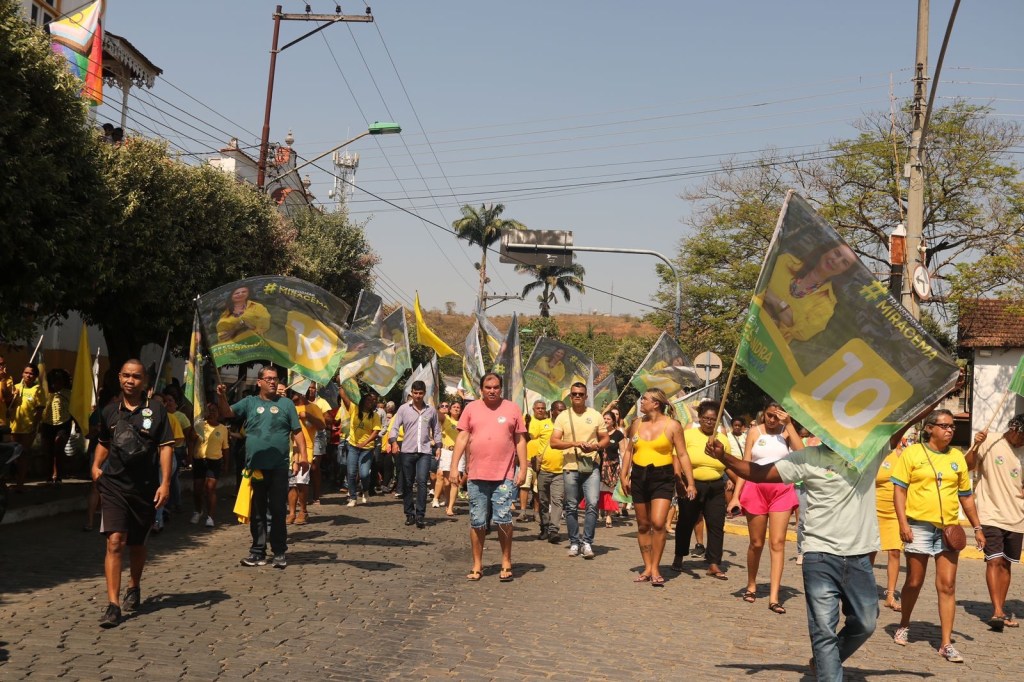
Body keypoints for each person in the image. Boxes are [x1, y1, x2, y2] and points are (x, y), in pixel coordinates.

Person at [707, 432, 886, 680]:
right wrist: (723, 456)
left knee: (866, 623)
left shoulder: (871, 452)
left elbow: (906, 419)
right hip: (819, 556)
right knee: (823, 630)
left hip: (859, 556)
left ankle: (823, 661)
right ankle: (828, 670)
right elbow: (759, 473)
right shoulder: (807, 457)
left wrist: (936, 404)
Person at [891, 409, 985, 663]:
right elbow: (899, 490)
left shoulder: (956, 458)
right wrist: (903, 523)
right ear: (929, 428)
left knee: (948, 585)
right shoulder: (913, 453)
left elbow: (966, 496)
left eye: (952, 426)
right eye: (944, 426)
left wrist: (977, 528)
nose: (950, 430)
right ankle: (904, 623)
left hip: (948, 531)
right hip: (919, 527)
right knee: (914, 581)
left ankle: (946, 643)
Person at [92, 360, 174, 628]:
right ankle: (113, 605)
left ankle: (134, 585)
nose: (130, 380)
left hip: (144, 488)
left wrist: (165, 483)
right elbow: (104, 442)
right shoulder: (109, 411)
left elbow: (166, 446)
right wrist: (96, 465)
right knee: (115, 541)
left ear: (144, 381)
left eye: (136, 377)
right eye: (126, 375)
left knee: (137, 544)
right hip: (114, 486)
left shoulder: (157, 410)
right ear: (119, 377)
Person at [217, 366, 308, 569]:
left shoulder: (286, 404)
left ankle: (279, 552)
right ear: (259, 382)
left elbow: (297, 431)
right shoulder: (250, 402)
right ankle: (258, 552)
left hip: (279, 467)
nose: (273, 382)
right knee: (257, 511)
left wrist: (303, 456)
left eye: (275, 379)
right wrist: (222, 396)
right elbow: (227, 412)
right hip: (255, 467)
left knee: (277, 510)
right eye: (268, 379)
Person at [450, 373, 527, 582]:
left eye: (495, 387)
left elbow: (520, 440)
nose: (492, 391)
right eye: (487, 387)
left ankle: (506, 561)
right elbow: (462, 438)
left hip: (504, 476)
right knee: (477, 521)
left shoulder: (512, 409)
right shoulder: (471, 409)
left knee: (503, 519)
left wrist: (523, 468)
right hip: (476, 475)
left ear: (501, 388)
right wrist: (454, 467)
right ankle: (477, 564)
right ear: (481, 389)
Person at [729, 402, 803, 613]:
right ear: (764, 414)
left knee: (778, 542)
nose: (772, 420)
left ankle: (774, 596)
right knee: (756, 542)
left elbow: (802, 452)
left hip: (781, 489)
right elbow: (745, 464)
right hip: (755, 488)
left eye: (776, 416)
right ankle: (751, 584)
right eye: (769, 415)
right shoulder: (754, 431)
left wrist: (789, 424)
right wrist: (736, 496)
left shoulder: (786, 432)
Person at [620, 388, 697, 586]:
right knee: (643, 525)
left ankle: (655, 567)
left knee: (658, 522)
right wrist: (623, 475)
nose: (641, 402)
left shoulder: (673, 426)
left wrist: (690, 483)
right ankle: (647, 567)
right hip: (639, 476)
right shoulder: (637, 423)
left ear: (655, 403)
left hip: (662, 477)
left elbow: (682, 454)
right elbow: (628, 451)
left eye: (644, 399)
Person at [965, 413, 1024, 632]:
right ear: (1015, 429)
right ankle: (997, 611)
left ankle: (1001, 609)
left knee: (1007, 564)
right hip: (990, 513)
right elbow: (967, 466)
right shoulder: (990, 440)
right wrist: (975, 446)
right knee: (994, 560)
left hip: (1016, 516)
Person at [672, 400, 731, 579]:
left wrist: (731, 480)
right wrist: (679, 480)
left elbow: (728, 462)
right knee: (686, 521)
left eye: (713, 419)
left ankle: (713, 562)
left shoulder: (722, 439)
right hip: (692, 485)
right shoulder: (688, 435)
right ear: (699, 418)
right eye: (705, 418)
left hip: (716, 486)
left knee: (716, 524)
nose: (709, 422)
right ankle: (679, 556)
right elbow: (677, 457)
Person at [551, 382, 610, 559]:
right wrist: (574, 443)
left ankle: (587, 542)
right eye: (574, 394)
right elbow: (554, 442)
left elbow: (605, 438)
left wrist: (595, 446)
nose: (577, 396)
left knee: (592, 503)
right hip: (570, 466)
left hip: (591, 466)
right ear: (570, 396)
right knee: (571, 506)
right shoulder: (563, 416)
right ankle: (574, 542)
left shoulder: (595, 415)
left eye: (581, 394)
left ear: (586, 396)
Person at [762, 243, 857, 343]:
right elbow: (759, 277)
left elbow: (802, 332)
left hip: (764, 344)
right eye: (837, 253)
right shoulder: (784, 261)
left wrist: (774, 300)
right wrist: (786, 319)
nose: (836, 261)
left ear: (844, 272)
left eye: (844, 262)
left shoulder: (827, 304)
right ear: (826, 250)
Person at [388, 380, 441, 528]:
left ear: (424, 393)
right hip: (407, 450)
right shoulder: (404, 409)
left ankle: (420, 515)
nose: (418, 396)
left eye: (420, 393)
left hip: (424, 451)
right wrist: (393, 442)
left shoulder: (431, 410)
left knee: (422, 482)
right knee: (408, 482)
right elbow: (394, 427)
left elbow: (436, 429)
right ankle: (409, 513)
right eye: (415, 393)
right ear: (411, 393)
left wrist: (438, 446)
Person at [873, 445, 905, 612]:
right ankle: (865, 591)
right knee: (869, 551)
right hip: (873, 510)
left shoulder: (900, 455)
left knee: (895, 551)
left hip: (894, 512)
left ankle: (890, 595)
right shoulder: (872, 454)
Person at [286, 388, 324, 525]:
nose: (292, 394)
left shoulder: (313, 408)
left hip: (305, 449)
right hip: (289, 449)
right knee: (291, 483)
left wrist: (308, 415)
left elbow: (322, 426)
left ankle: (303, 511)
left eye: (294, 392)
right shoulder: (287, 406)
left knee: (301, 481)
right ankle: (291, 512)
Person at [189, 402, 229, 527]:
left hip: (214, 461)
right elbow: (191, 441)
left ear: (218, 413)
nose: (211, 413)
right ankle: (198, 511)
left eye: (214, 410)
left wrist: (226, 463)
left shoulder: (223, 429)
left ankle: (210, 517)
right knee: (197, 489)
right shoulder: (200, 425)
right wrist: (189, 456)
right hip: (199, 460)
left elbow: (225, 448)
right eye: (209, 410)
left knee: (210, 489)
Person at [342, 390, 381, 507]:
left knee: (364, 474)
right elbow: (344, 397)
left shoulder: (375, 416)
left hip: (367, 449)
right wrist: (341, 384)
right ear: (363, 401)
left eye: (372, 401)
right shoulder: (354, 409)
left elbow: (375, 432)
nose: (370, 402)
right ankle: (353, 498)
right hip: (353, 446)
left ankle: (365, 491)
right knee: (351, 473)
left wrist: (364, 443)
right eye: (368, 400)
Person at [9, 364, 44, 490]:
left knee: (23, 454)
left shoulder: (37, 389)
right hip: (14, 427)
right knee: (13, 455)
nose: (28, 375)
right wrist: (13, 396)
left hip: (28, 428)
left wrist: (35, 426)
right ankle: (13, 479)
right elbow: (9, 405)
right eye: (26, 372)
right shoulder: (16, 387)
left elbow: (40, 409)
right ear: (22, 373)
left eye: (31, 373)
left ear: (35, 376)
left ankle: (20, 484)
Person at [536, 400, 565, 543]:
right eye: (559, 410)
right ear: (552, 411)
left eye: (564, 410)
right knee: (543, 501)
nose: (562, 412)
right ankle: (544, 527)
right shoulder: (543, 424)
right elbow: (530, 438)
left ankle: (554, 530)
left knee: (557, 501)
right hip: (543, 469)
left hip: (561, 471)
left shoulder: (567, 427)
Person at [40, 368, 73, 484]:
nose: (56, 383)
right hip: (47, 424)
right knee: (48, 451)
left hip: (64, 423)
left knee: (59, 448)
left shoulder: (69, 393)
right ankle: (48, 476)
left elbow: (74, 409)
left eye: (59, 381)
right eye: (54, 381)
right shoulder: (45, 392)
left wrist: (78, 424)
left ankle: (58, 476)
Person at [436, 400, 465, 516]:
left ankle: (450, 507)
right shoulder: (446, 418)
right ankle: (447, 501)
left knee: (455, 481)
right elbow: (435, 412)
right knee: (447, 482)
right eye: (454, 407)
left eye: (458, 407)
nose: (456, 409)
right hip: (447, 451)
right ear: (450, 409)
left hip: (459, 453)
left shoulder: (464, 422)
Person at [598, 412, 625, 528]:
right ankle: (601, 510)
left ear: (613, 421)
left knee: (610, 490)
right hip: (599, 466)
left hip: (613, 467)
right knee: (599, 490)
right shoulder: (598, 433)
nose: (605, 420)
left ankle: (609, 515)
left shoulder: (619, 434)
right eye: (604, 418)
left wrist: (625, 468)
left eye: (608, 419)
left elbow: (623, 452)